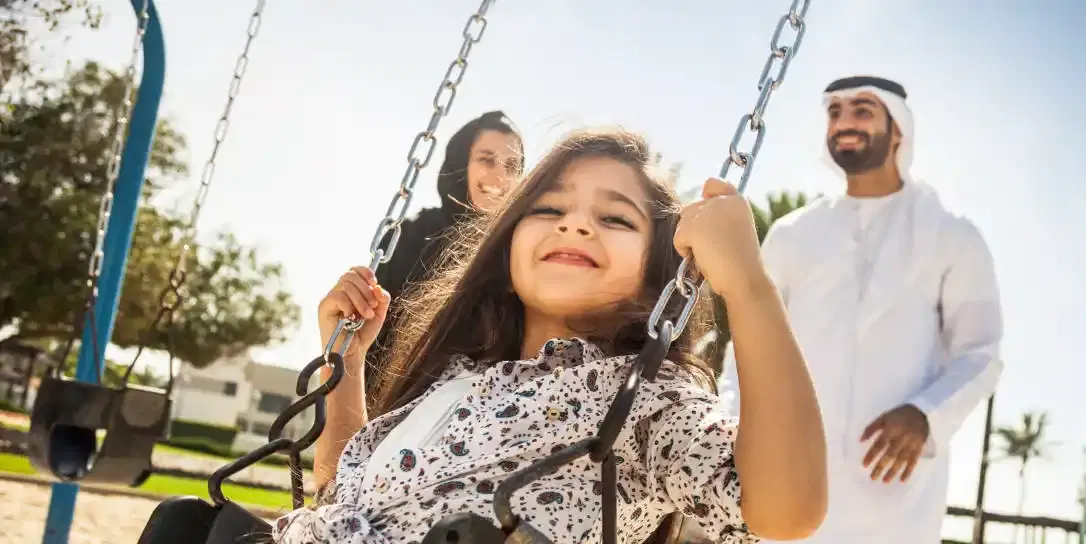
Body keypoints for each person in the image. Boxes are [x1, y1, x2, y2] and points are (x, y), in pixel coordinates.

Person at [275, 128, 829, 543]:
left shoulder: (642, 399)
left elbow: (785, 510)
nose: (575, 224)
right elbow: (344, 489)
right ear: (509, 248)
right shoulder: (458, 379)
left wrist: (749, 286)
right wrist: (345, 361)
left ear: (656, 280)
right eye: (548, 208)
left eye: (615, 219)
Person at [721, 75, 1004, 544]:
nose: (844, 123)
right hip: (787, 473)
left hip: (894, 491)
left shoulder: (952, 235)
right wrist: (734, 427)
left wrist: (924, 413)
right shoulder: (794, 234)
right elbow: (747, 346)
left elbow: (980, 353)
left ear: (898, 131)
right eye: (835, 113)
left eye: (862, 111)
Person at [366, 111, 525, 399]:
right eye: (486, 159)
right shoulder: (411, 237)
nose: (499, 176)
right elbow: (374, 336)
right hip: (394, 398)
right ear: (461, 163)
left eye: (511, 165)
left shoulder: (519, 250)